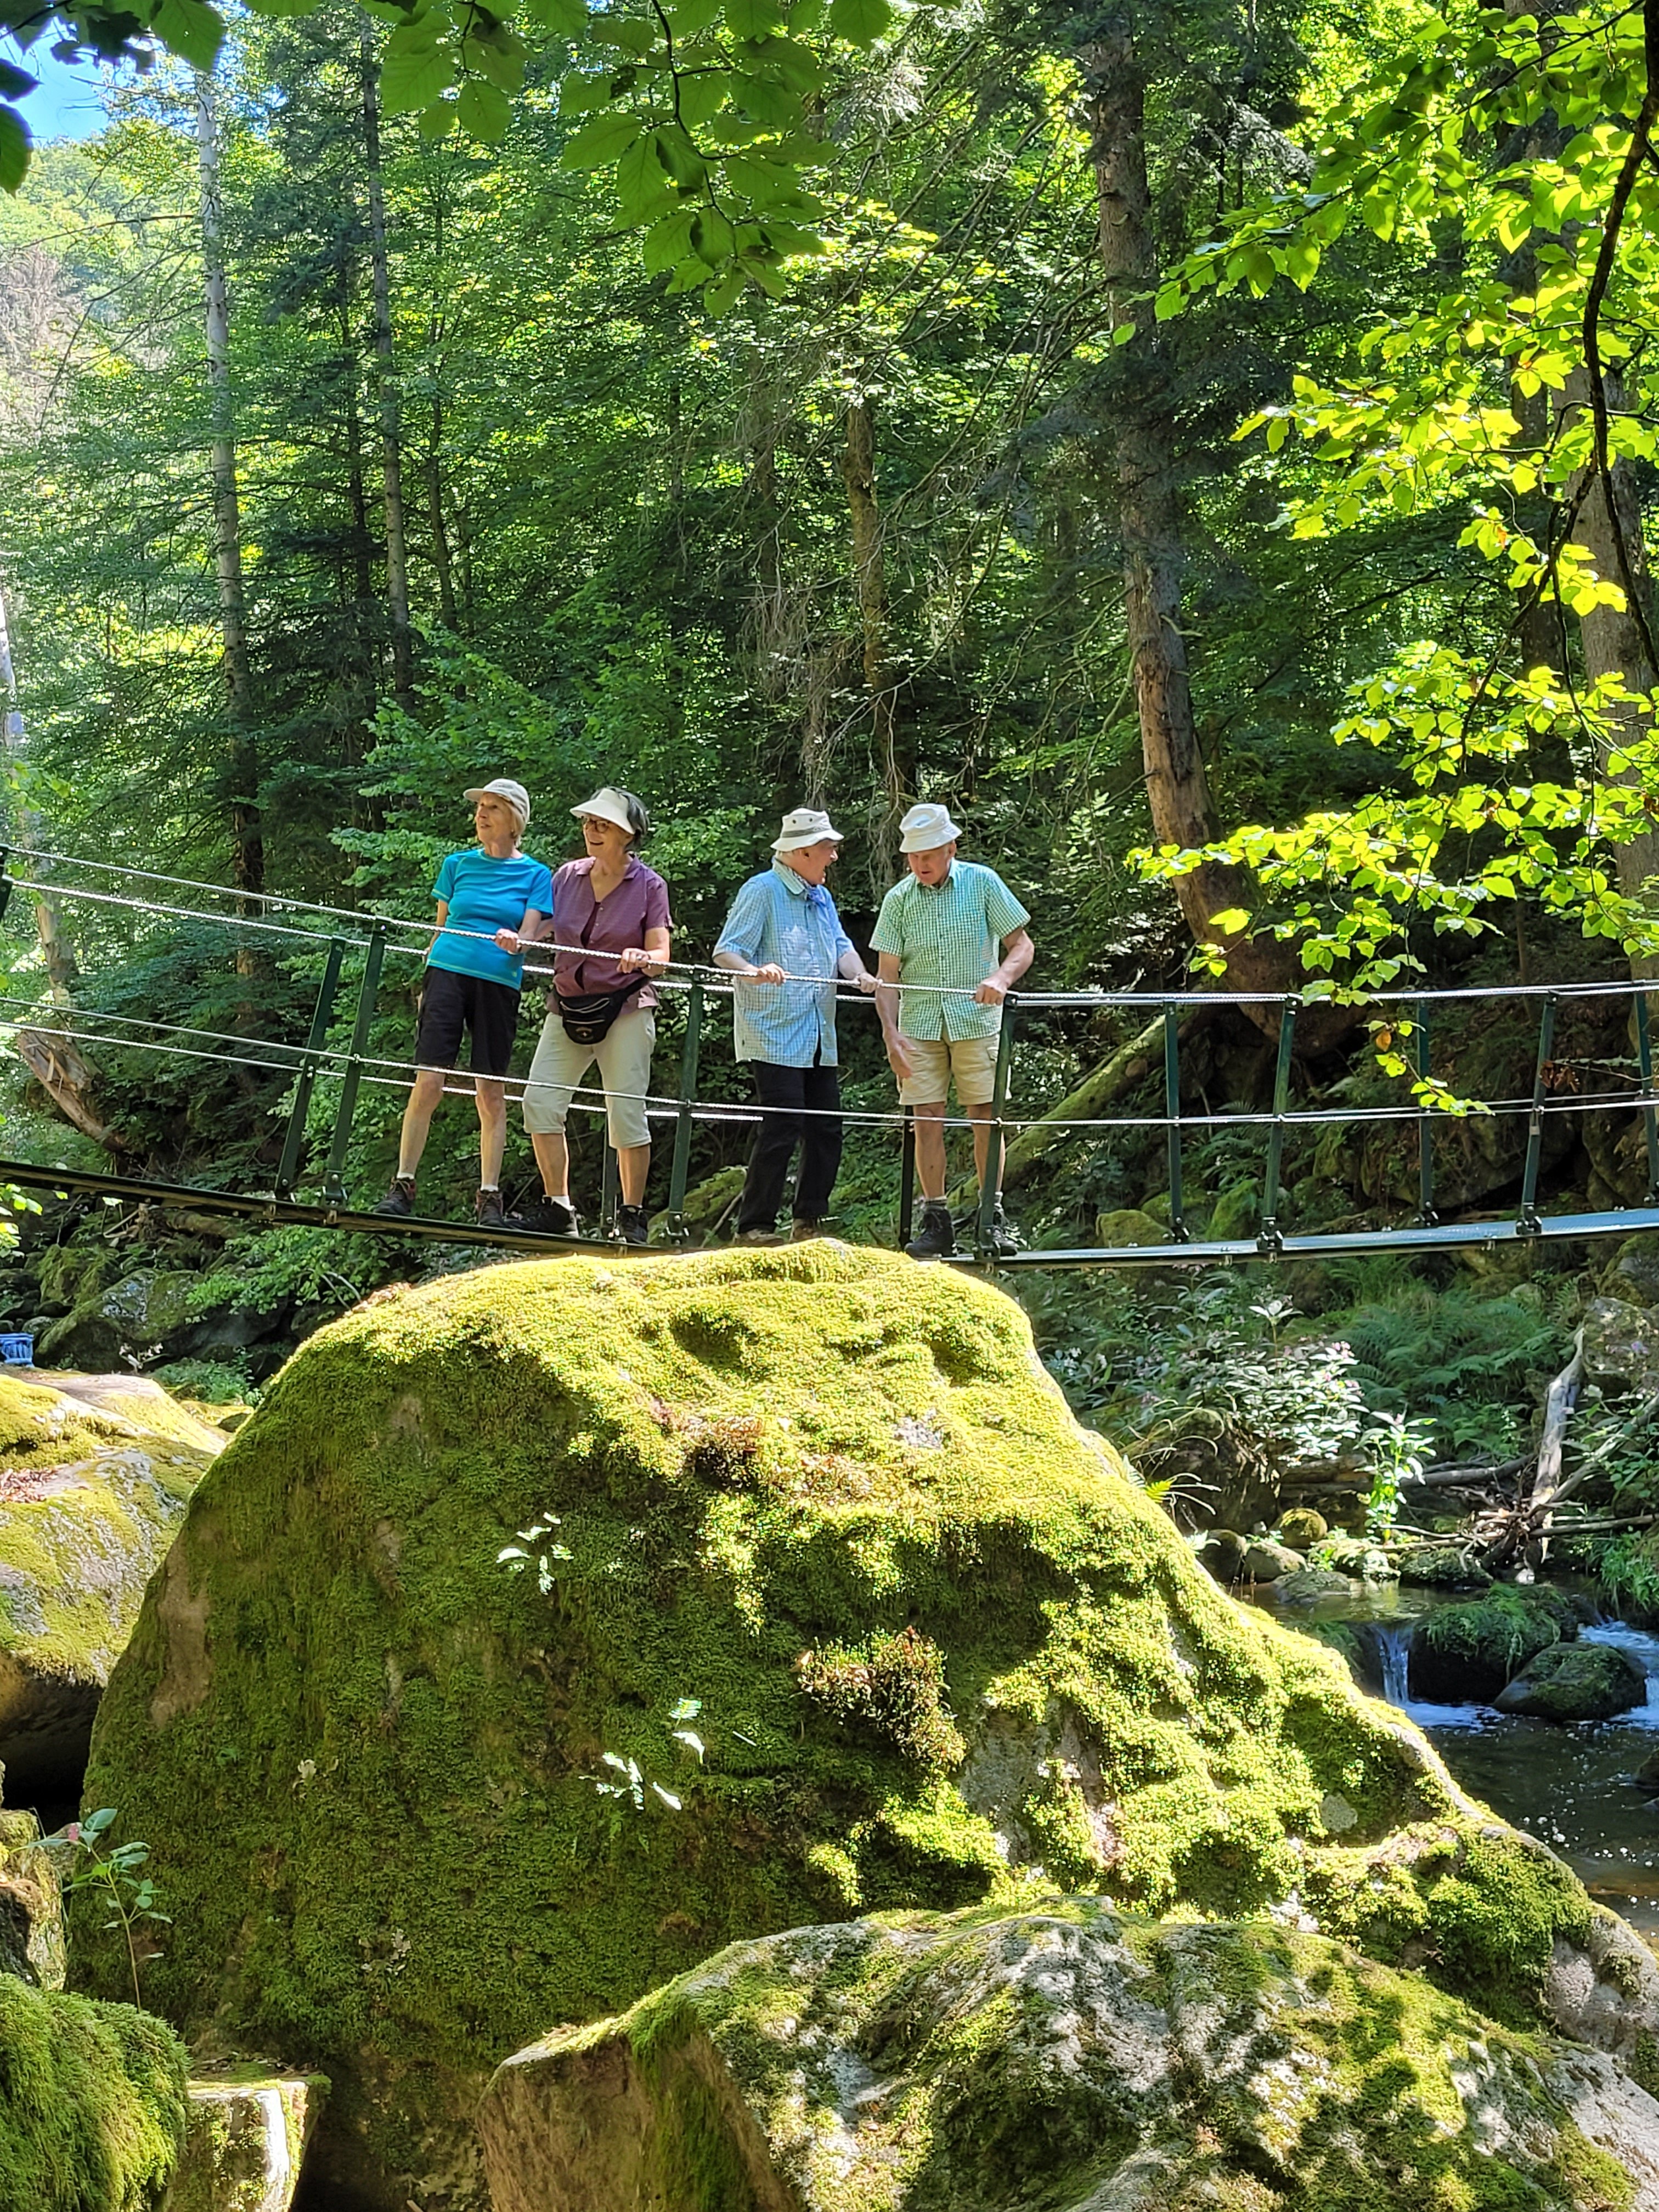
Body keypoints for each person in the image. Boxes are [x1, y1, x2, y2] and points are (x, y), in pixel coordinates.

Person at [374, 778, 552, 1228]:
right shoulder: (456, 865)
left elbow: (530, 934)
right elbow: (440, 929)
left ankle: (489, 1197)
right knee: (429, 1080)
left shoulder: (536, 874)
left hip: (498, 981)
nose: (481, 815)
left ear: (515, 821)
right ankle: (402, 1184)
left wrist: (518, 941)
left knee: (490, 1091)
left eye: (493, 808)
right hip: (447, 973)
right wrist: (426, 983)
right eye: (480, 807)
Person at [504, 787, 670, 1246]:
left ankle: (632, 1216)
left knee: (626, 1112)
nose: (591, 831)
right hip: (567, 1006)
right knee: (539, 1103)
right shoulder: (567, 877)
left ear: (628, 834)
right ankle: (559, 1208)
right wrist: (522, 939)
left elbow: (662, 954)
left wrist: (643, 957)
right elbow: (542, 926)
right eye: (588, 823)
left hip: (626, 1009)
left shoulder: (650, 886)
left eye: (603, 824)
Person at [871, 801, 1034, 1260]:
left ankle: (991, 1218)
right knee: (926, 1119)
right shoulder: (898, 900)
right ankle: (936, 1221)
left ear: (951, 849)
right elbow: (887, 977)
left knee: (986, 1116)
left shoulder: (983, 883)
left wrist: (1001, 979)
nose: (920, 864)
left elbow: (1022, 945)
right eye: (913, 856)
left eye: (928, 855)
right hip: (919, 1025)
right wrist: (890, 1033)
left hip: (976, 1020)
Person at [713, 806, 878, 1244]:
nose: (834, 857)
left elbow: (841, 947)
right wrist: (754, 970)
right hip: (774, 1031)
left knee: (826, 1127)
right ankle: (754, 1227)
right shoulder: (762, 890)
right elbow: (727, 951)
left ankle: (808, 1221)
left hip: (818, 1031)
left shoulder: (822, 897)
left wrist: (860, 975)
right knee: (782, 1123)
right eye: (828, 849)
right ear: (803, 851)